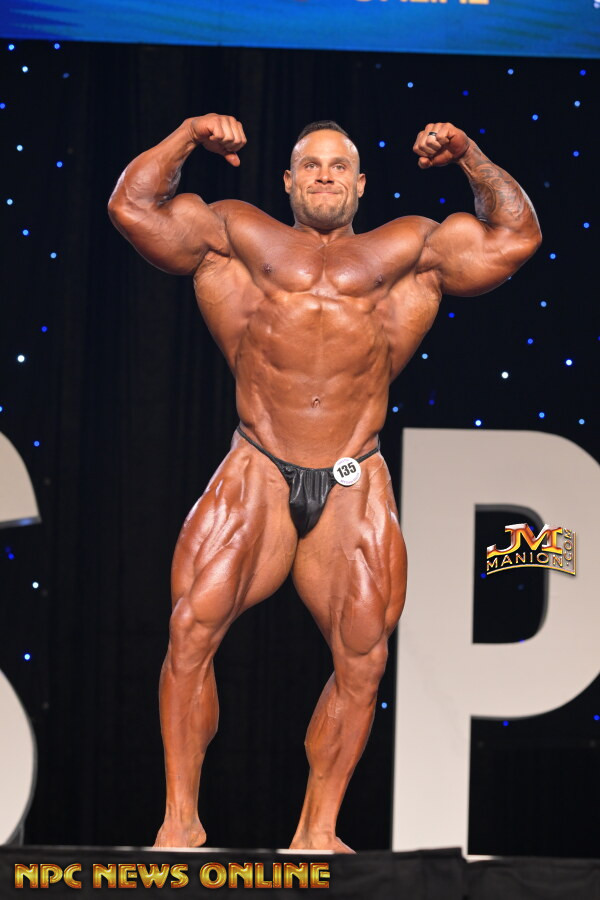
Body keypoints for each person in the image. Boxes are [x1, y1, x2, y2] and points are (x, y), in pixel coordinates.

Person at [107, 114, 541, 851]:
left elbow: (516, 236)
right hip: (259, 462)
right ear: (287, 180)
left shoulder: (408, 248)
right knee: (190, 630)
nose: (324, 177)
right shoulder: (237, 233)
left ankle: (317, 830)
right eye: (310, 165)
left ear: (361, 184)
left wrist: (471, 156)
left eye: (339, 166)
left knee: (363, 656)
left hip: (351, 473)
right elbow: (133, 207)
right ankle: (180, 820)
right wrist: (186, 137)